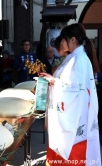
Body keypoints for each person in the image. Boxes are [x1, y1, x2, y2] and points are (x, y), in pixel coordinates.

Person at [40, 23, 101, 166]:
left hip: (75, 119)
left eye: (63, 39)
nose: (61, 42)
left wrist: (54, 81)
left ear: (72, 40)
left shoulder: (79, 60)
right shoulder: (74, 58)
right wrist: (53, 80)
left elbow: (76, 90)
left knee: (72, 156)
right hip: (70, 115)